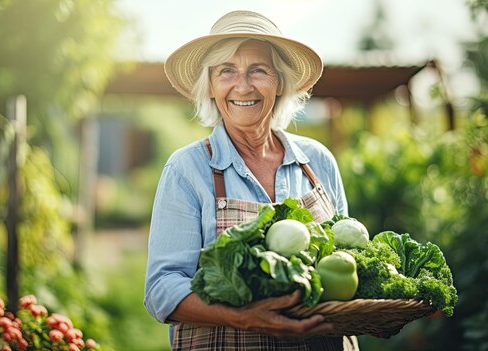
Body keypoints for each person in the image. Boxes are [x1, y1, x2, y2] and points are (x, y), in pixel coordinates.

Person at [144, 10, 355, 350]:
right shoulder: (188, 169)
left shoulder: (317, 161)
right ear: (211, 86)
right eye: (227, 70)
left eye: (258, 70)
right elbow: (162, 289)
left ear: (280, 82)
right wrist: (242, 317)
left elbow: (348, 258)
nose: (243, 85)